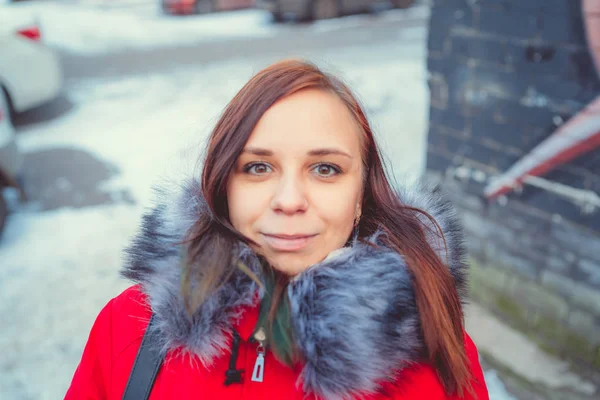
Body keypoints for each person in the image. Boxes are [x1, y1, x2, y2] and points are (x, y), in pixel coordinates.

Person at [65, 59, 489, 400]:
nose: (289, 200)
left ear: (361, 196)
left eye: (325, 169)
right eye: (258, 167)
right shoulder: (130, 327)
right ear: (223, 187)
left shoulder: (432, 352)